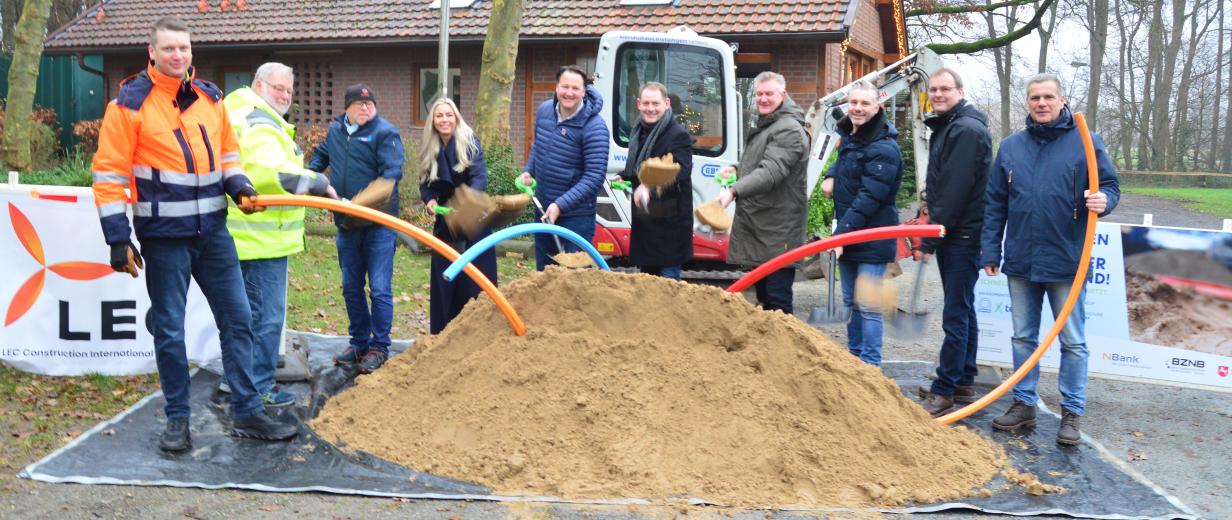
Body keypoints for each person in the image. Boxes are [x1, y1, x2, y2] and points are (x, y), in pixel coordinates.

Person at [90, 16, 297, 452]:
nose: (177, 56)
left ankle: (246, 410)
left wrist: (237, 182)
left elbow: (228, 152)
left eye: (183, 49)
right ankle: (177, 420)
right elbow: (109, 176)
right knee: (169, 330)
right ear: (152, 53)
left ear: (191, 52)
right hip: (165, 238)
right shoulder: (129, 104)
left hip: (214, 233)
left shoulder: (209, 97)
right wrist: (117, 237)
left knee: (239, 320)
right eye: (169, 49)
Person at [982, 73, 1119, 446]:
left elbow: (1110, 186)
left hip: (1067, 260)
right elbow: (995, 203)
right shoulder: (1011, 147)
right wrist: (990, 249)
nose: (1041, 103)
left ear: (1062, 100)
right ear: (1027, 103)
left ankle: (1071, 413)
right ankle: (1024, 404)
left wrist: (1104, 201)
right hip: (1022, 261)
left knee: (1073, 341)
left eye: (1047, 97)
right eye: (1034, 98)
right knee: (1023, 337)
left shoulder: (1086, 143)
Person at [222, 62, 337, 407]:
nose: (285, 95)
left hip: (251, 239)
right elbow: (272, 173)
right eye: (278, 88)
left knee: (244, 318)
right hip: (260, 242)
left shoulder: (246, 113)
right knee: (264, 320)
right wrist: (319, 183)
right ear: (258, 85)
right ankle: (256, 391)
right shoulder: (257, 122)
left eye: (289, 90)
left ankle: (238, 383)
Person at [914, 68, 993, 417]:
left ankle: (944, 390)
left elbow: (956, 189)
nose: (939, 94)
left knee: (956, 314)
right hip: (960, 231)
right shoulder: (952, 126)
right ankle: (964, 379)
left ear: (960, 91)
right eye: (934, 89)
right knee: (964, 307)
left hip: (961, 234)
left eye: (946, 89)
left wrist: (931, 237)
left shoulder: (964, 130)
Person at [308, 84, 404, 373]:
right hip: (346, 224)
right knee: (351, 287)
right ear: (347, 108)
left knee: (379, 288)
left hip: (378, 225)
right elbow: (319, 158)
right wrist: (314, 180)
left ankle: (379, 347)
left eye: (370, 103)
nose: (366, 108)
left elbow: (391, 176)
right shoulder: (337, 131)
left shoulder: (385, 133)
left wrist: (361, 203)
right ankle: (359, 341)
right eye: (360, 103)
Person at [819, 80, 904, 367]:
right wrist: (830, 173)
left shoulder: (884, 149)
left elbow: (869, 199)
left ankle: (870, 368)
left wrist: (839, 238)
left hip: (872, 240)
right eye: (854, 103)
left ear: (877, 107)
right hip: (850, 235)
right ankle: (854, 364)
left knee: (868, 307)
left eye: (864, 103)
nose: (857, 108)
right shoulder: (853, 136)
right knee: (851, 304)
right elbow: (848, 158)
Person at [715, 71, 809, 313]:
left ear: (783, 94)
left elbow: (771, 171)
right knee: (765, 298)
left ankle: (785, 349)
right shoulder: (770, 125)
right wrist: (737, 168)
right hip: (763, 227)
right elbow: (761, 163)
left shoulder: (788, 129)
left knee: (776, 301)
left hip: (777, 231)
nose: (763, 99)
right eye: (759, 94)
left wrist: (734, 191)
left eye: (769, 94)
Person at [517, 65, 611, 270]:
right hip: (543, 209)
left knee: (574, 280)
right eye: (564, 86)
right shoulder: (544, 111)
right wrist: (528, 171)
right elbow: (538, 146)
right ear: (556, 87)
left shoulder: (595, 127)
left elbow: (595, 177)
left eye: (575, 88)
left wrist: (560, 205)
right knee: (545, 271)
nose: (569, 93)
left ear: (584, 91)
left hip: (576, 218)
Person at [418, 98, 498, 334]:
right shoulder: (429, 147)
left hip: (473, 220)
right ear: (433, 120)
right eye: (439, 115)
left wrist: (466, 202)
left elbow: (479, 177)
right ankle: (443, 334)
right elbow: (425, 183)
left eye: (449, 115)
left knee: (474, 283)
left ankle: (477, 333)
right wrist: (430, 200)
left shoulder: (469, 141)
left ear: (456, 118)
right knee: (445, 283)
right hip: (445, 226)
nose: (444, 120)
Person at [618, 82, 694, 280]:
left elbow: (681, 172)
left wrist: (649, 188)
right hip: (646, 221)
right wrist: (626, 175)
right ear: (638, 104)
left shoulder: (678, 135)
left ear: (666, 103)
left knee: (667, 288)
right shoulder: (639, 130)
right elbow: (642, 166)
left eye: (655, 103)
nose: (650, 108)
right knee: (648, 286)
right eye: (646, 103)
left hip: (670, 225)